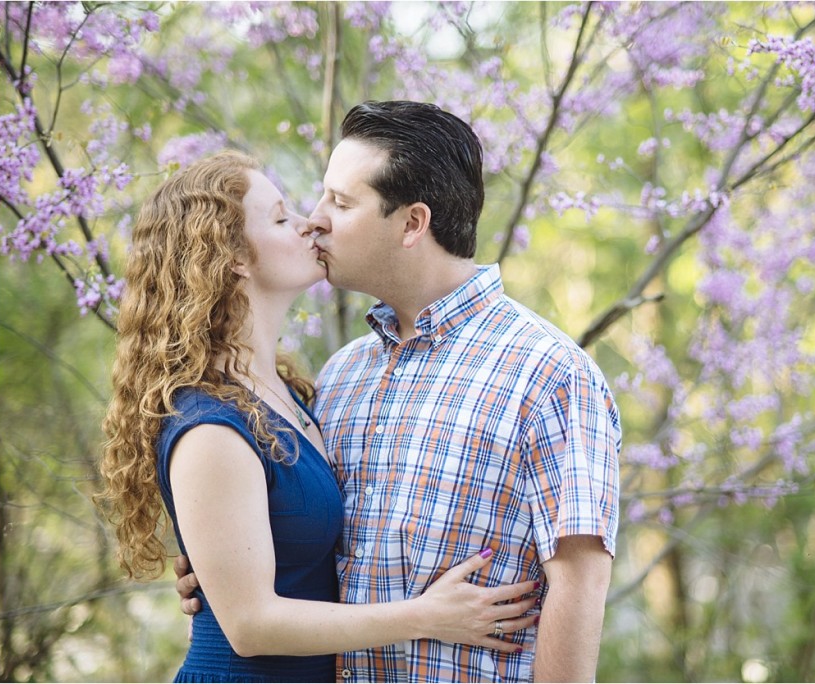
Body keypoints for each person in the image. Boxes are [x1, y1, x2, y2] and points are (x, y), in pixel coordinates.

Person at [178, 101, 622, 682]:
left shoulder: (549, 373)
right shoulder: (342, 376)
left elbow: (579, 579)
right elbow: (296, 544)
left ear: (412, 223)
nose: (315, 220)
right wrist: (217, 570)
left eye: (340, 202)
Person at [98, 150, 538, 683]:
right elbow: (251, 625)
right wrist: (427, 616)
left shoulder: (296, 392)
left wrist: (211, 572)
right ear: (232, 254)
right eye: (283, 218)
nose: (311, 224)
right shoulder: (210, 425)